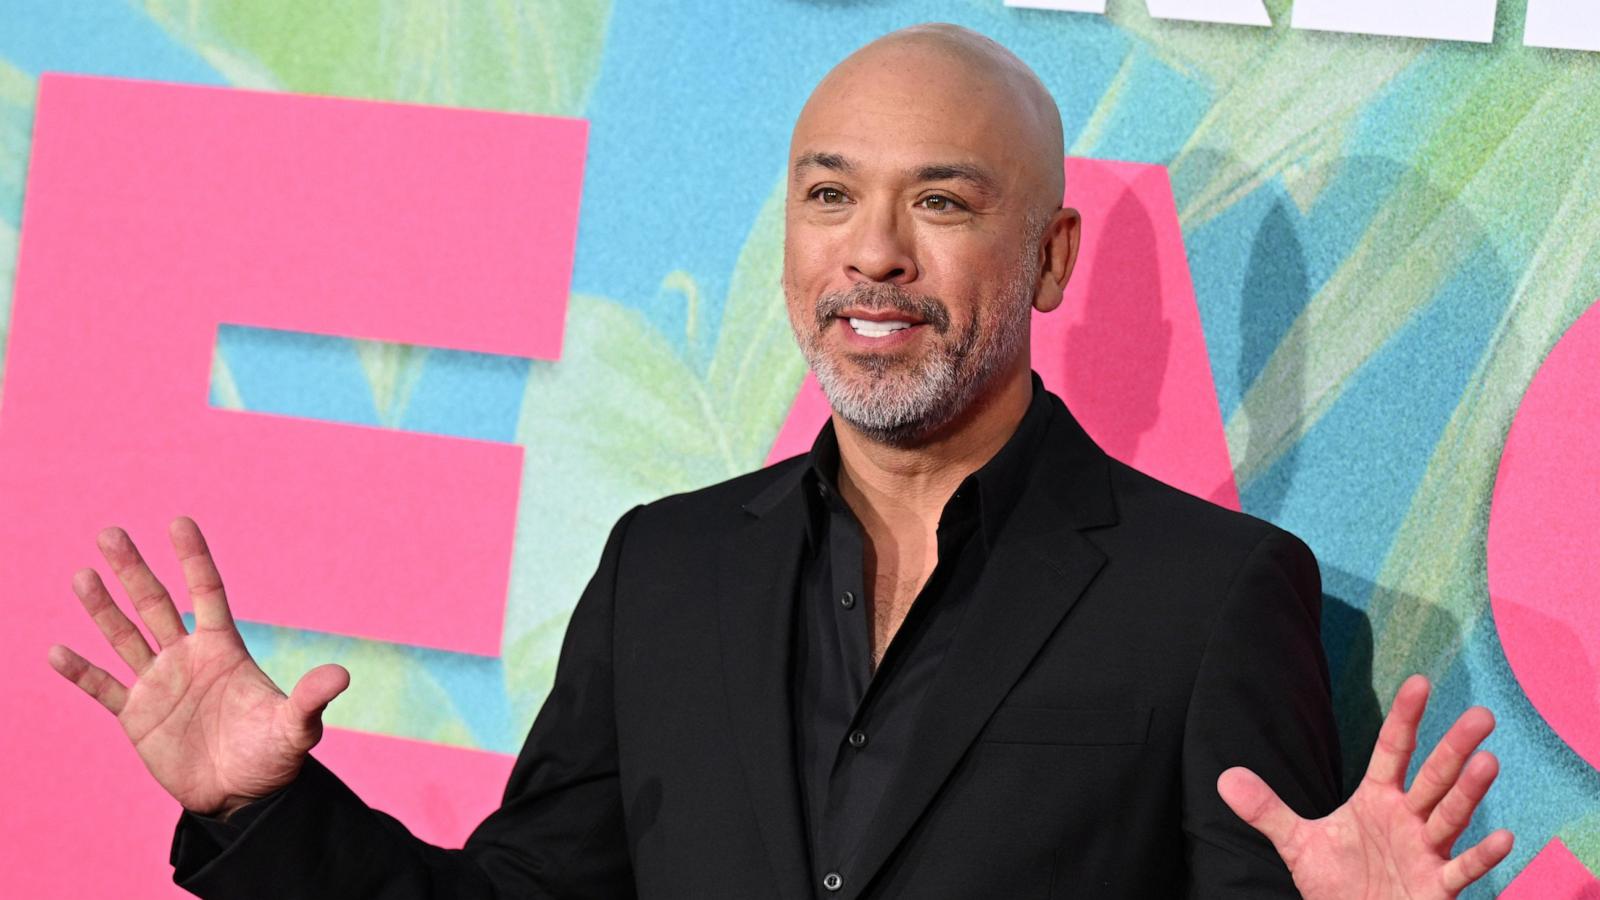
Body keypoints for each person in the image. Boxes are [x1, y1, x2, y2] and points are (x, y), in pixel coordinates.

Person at [49, 23, 1513, 899]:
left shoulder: (1211, 601)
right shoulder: (667, 570)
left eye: (942, 201)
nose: (874, 253)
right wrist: (259, 808)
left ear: (1050, 256)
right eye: (831, 196)